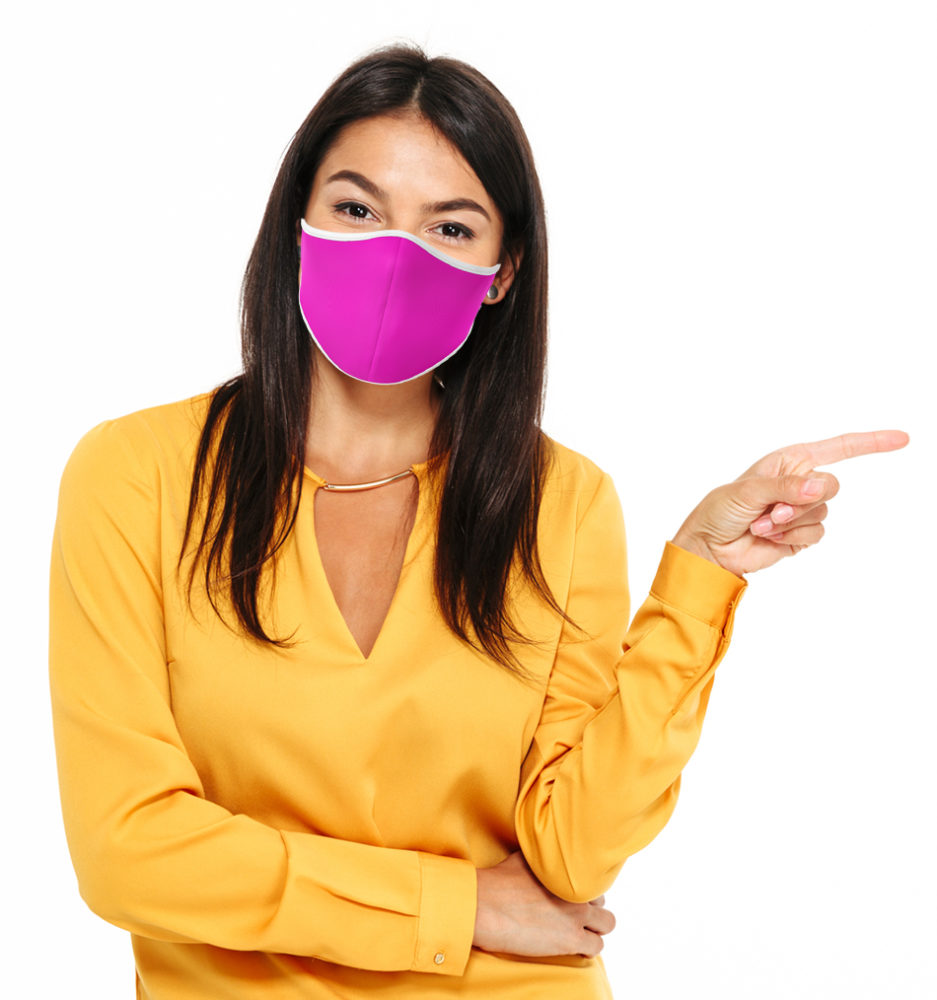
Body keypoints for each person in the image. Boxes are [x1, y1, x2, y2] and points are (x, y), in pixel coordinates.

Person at [48, 43, 908, 1000]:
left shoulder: (562, 501)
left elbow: (572, 851)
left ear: (501, 273)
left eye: (449, 227)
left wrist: (701, 576)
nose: (394, 254)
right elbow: (128, 851)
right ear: (297, 221)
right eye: (357, 209)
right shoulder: (136, 476)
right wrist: (454, 908)